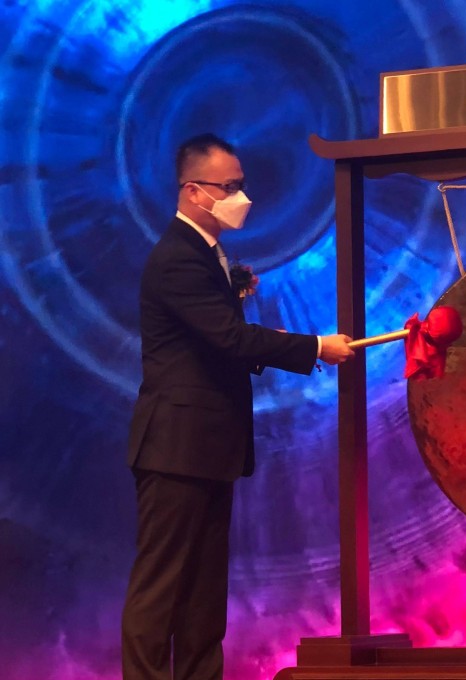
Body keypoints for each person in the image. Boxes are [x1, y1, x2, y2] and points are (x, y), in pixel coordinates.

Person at [122, 133, 355, 679]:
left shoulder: (208, 254)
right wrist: (316, 348)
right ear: (193, 193)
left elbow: (218, 334)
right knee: (162, 589)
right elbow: (229, 339)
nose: (240, 197)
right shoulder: (177, 258)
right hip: (175, 448)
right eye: (229, 187)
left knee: (203, 590)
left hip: (208, 447)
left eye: (241, 186)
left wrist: (236, 288)